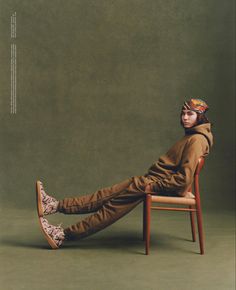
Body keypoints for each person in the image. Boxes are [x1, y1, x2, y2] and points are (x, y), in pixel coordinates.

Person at [36, 98, 213, 249]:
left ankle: (62, 235)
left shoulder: (196, 140)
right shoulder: (192, 136)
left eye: (190, 114)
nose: (184, 117)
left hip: (156, 184)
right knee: (104, 195)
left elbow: (184, 179)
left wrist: (152, 185)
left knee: (111, 208)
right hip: (150, 180)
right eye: (183, 113)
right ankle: (54, 206)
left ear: (200, 117)